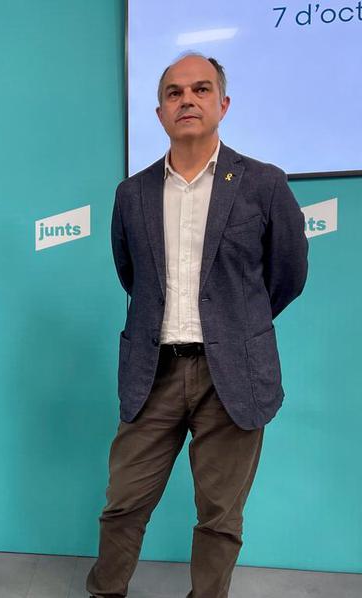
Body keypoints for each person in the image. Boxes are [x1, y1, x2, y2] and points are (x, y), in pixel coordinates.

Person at [86, 53, 308, 598]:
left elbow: (287, 275)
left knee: (220, 515)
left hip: (233, 374)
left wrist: (237, 327)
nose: (188, 100)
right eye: (174, 92)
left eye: (201, 90)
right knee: (123, 504)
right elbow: (132, 275)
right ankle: (105, 592)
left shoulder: (264, 184)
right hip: (153, 370)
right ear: (159, 112)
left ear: (223, 104)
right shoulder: (131, 194)